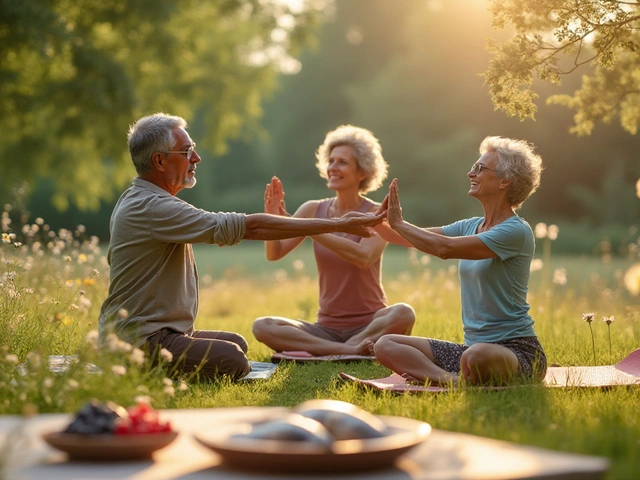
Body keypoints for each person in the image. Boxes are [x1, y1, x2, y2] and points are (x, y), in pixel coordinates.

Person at [98, 113, 385, 380]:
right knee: (232, 359)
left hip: (156, 330)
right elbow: (253, 227)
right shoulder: (153, 207)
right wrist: (337, 225)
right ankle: (132, 365)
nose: (196, 158)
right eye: (186, 152)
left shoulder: (142, 199)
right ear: (160, 162)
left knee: (237, 343)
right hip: (140, 338)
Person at [373, 136, 547, 386]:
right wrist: (374, 222)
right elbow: (410, 238)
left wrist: (398, 223)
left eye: (479, 168)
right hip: (471, 350)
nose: (470, 173)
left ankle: (447, 378)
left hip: (519, 352)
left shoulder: (515, 231)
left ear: (505, 181)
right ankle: (451, 380)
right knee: (385, 343)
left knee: (477, 355)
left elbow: (444, 248)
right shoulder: (470, 225)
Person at [252, 125, 415, 356]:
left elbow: (363, 258)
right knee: (263, 325)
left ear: (362, 172)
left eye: (342, 162)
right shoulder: (312, 209)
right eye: (331, 161)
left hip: (370, 324)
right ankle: (347, 351)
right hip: (325, 328)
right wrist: (272, 217)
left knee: (403, 313)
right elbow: (274, 253)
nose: (333, 168)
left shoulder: (378, 214)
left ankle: (334, 351)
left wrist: (310, 228)